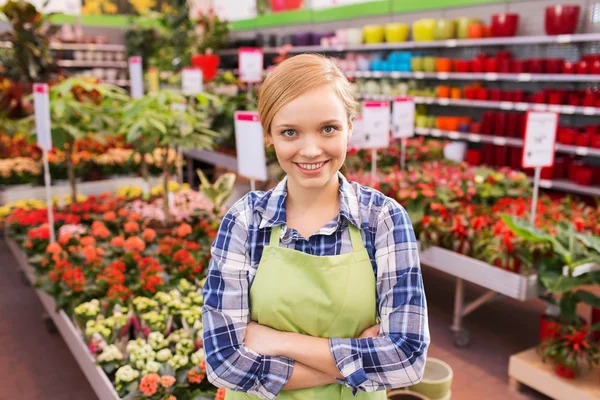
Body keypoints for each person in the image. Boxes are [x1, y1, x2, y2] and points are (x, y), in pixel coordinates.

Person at [202, 54, 429, 400]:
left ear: (350, 126)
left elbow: (407, 359)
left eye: (328, 128)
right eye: (290, 132)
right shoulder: (246, 221)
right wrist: (355, 362)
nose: (310, 150)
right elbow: (224, 362)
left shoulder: (382, 219)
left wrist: (279, 341)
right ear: (269, 135)